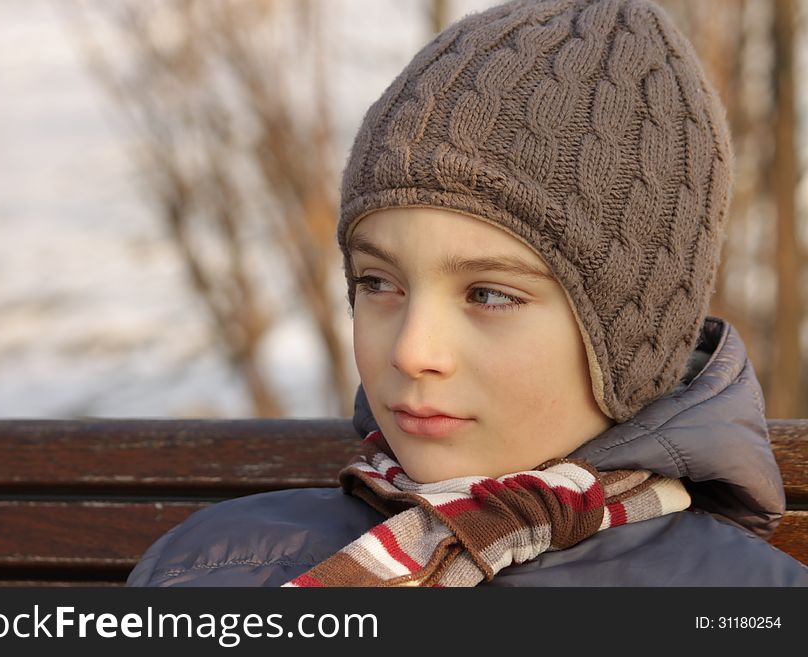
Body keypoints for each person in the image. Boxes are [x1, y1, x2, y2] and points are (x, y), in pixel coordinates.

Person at [127, 0, 808, 586]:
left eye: (488, 294)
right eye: (378, 282)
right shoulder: (215, 566)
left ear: (633, 340)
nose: (414, 350)